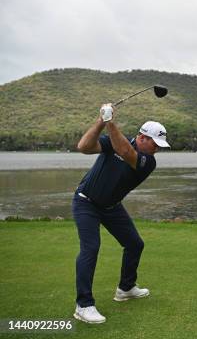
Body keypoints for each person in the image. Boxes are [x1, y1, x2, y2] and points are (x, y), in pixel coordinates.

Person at [71, 103, 170, 324]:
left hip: (111, 207)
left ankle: (125, 288)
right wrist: (101, 121)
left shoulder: (148, 162)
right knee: (91, 248)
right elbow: (84, 146)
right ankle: (83, 304)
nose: (157, 149)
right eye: (155, 144)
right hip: (86, 202)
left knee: (135, 243)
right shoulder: (113, 142)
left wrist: (110, 122)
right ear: (142, 137)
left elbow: (125, 151)